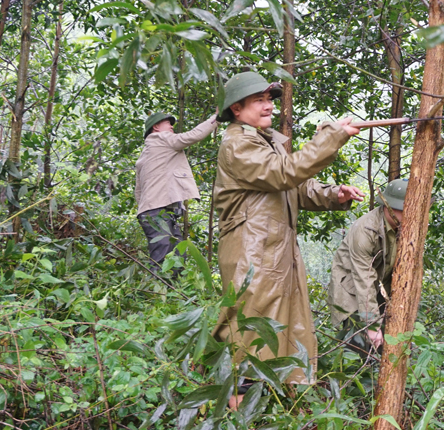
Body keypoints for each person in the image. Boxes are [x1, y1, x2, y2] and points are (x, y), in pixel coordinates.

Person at [211, 72, 365, 399]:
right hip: (251, 256)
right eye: (259, 100)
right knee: (250, 341)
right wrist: (331, 137)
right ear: (236, 109)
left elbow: (293, 187)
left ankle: (274, 411)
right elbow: (283, 174)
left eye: (270, 100)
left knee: (282, 337)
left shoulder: (264, 141)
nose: (268, 107)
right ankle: (240, 416)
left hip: (274, 252)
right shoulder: (238, 143)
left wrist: (333, 194)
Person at [328, 178, 408, 356]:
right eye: (404, 210)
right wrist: (371, 323)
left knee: (383, 348)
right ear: (389, 206)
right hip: (352, 290)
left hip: (377, 289)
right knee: (358, 351)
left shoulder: (404, 227)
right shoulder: (366, 230)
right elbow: (363, 279)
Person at [134, 112, 218, 268]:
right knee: (164, 257)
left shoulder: (144, 155)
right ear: (156, 127)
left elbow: (138, 192)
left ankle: (169, 290)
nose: (171, 126)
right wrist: (216, 118)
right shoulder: (161, 139)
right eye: (167, 123)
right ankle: (156, 291)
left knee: (177, 256)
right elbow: (193, 136)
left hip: (153, 211)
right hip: (157, 211)